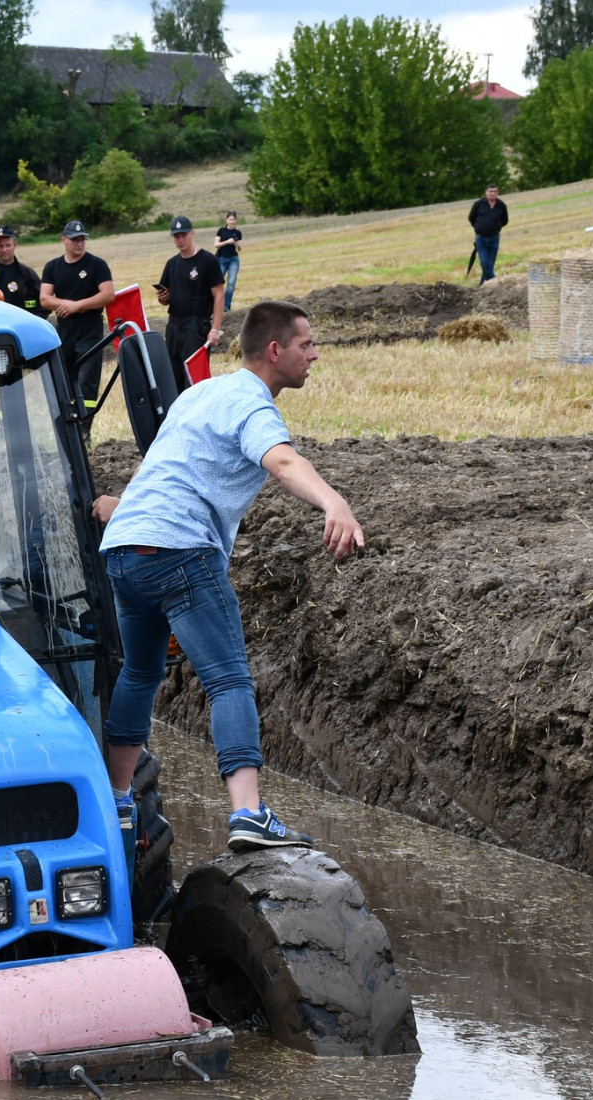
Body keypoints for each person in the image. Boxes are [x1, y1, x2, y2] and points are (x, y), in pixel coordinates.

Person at [90, 299, 363, 851]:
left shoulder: (199, 394)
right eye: (307, 344)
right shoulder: (251, 403)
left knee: (140, 673)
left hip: (124, 551)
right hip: (180, 550)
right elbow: (283, 462)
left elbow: (161, 465)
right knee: (229, 680)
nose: (314, 355)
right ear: (275, 350)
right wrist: (334, 502)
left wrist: (124, 506)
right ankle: (247, 814)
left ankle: (117, 802)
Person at [40, 219, 116, 405]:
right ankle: (68, 418)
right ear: (63, 240)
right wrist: (66, 304)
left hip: (90, 329)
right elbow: (45, 299)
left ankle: (85, 420)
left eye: (82, 239)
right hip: (65, 329)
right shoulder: (52, 267)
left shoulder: (97, 265)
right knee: (64, 378)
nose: (79, 243)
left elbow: (108, 295)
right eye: (75, 239)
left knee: (87, 379)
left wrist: (78, 306)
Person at [155, 216, 224, 389]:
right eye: (176, 236)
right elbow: (165, 299)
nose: (180, 240)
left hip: (197, 325)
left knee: (195, 379)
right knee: (173, 376)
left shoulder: (208, 260)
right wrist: (162, 298)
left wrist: (215, 329)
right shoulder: (171, 264)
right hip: (174, 325)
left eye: (183, 235)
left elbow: (219, 296)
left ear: (192, 233)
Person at [467, 184, 510, 284]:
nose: (493, 193)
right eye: (491, 191)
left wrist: (496, 226)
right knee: (484, 262)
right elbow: (471, 218)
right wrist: (479, 227)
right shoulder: (478, 204)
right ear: (486, 192)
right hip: (481, 238)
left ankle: (483, 287)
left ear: (498, 193)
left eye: (495, 191)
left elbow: (505, 220)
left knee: (490, 264)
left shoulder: (501, 206)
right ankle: (496, 283)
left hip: (494, 237)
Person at [213, 212, 243, 312]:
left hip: (233, 259)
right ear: (226, 220)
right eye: (230, 219)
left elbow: (239, 249)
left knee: (231, 283)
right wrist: (227, 242)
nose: (231, 221)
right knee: (217, 282)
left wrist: (237, 244)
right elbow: (216, 244)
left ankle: (226, 306)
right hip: (222, 259)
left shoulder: (238, 233)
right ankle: (214, 303)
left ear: (236, 221)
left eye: (233, 220)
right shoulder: (221, 231)